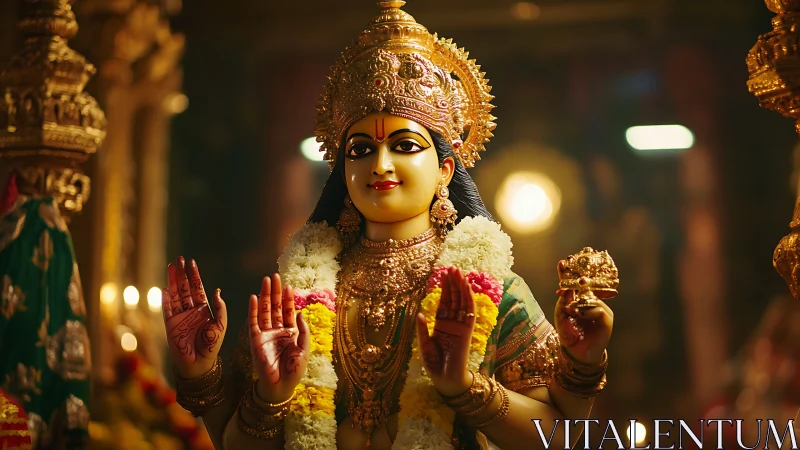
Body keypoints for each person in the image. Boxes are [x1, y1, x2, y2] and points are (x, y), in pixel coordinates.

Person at [160, 2, 614, 449]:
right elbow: (235, 444)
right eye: (359, 150)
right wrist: (226, 382)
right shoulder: (298, 293)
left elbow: (559, 437)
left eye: (404, 145)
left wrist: (462, 387)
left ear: (445, 170)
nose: (380, 164)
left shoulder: (489, 289)